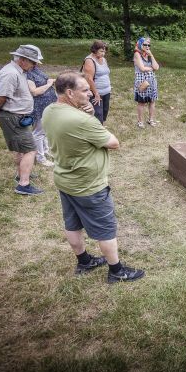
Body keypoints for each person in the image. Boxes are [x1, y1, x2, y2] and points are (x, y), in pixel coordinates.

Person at [42, 71, 145, 284]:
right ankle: (116, 271)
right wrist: (89, 117)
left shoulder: (50, 110)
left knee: (72, 223)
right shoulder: (81, 121)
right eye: (85, 90)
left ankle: (84, 261)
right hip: (89, 186)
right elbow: (113, 142)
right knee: (105, 229)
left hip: (65, 179)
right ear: (69, 93)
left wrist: (84, 113)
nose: (90, 94)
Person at [0, 45, 44, 195]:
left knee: (21, 149)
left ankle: (21, 175)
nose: (35, 65)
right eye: (33, 62)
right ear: (23, 60)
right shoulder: (10, 73)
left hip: (19, 117)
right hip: (13, 118)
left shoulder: (19, 71)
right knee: (31, 149)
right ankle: (23, 185)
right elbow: (0, 98)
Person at [26, 55, 57, 167]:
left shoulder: (36, 69)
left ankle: (45, 150)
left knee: (45, 131)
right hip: (39, 106)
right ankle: (40, 158)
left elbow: (44, 81)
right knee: (38, 133)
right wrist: (48, 84)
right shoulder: (28, 74)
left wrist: (51, 81)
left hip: (48, 104)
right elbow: (34, 91)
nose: (39, 63)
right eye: (36, 61)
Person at [82, 40, 112, 124]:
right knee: (97, 115)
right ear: (95, 50)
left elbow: (105, 74)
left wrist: (108, 87)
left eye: (104, 51)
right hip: (96, 93)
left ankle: (101, 128)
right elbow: (89, 79)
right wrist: (96, 94)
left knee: (104, 112)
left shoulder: (103, 59)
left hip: (106, 91)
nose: (103, 53)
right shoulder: (89, 60)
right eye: (101, 51)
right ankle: (97, 132)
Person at [133, 37, 159, 128]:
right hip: (142, 81)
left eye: (149, 45)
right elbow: (142, 68)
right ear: (140, 44)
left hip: (152, 80)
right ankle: (140, 121)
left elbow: (157, 67)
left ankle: (151, 119)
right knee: (141, 102)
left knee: (152, 101)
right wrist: (151, 69)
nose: (147, 46)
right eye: (145, 44)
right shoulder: (137, 54)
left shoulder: (149, 55)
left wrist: (151, 55)